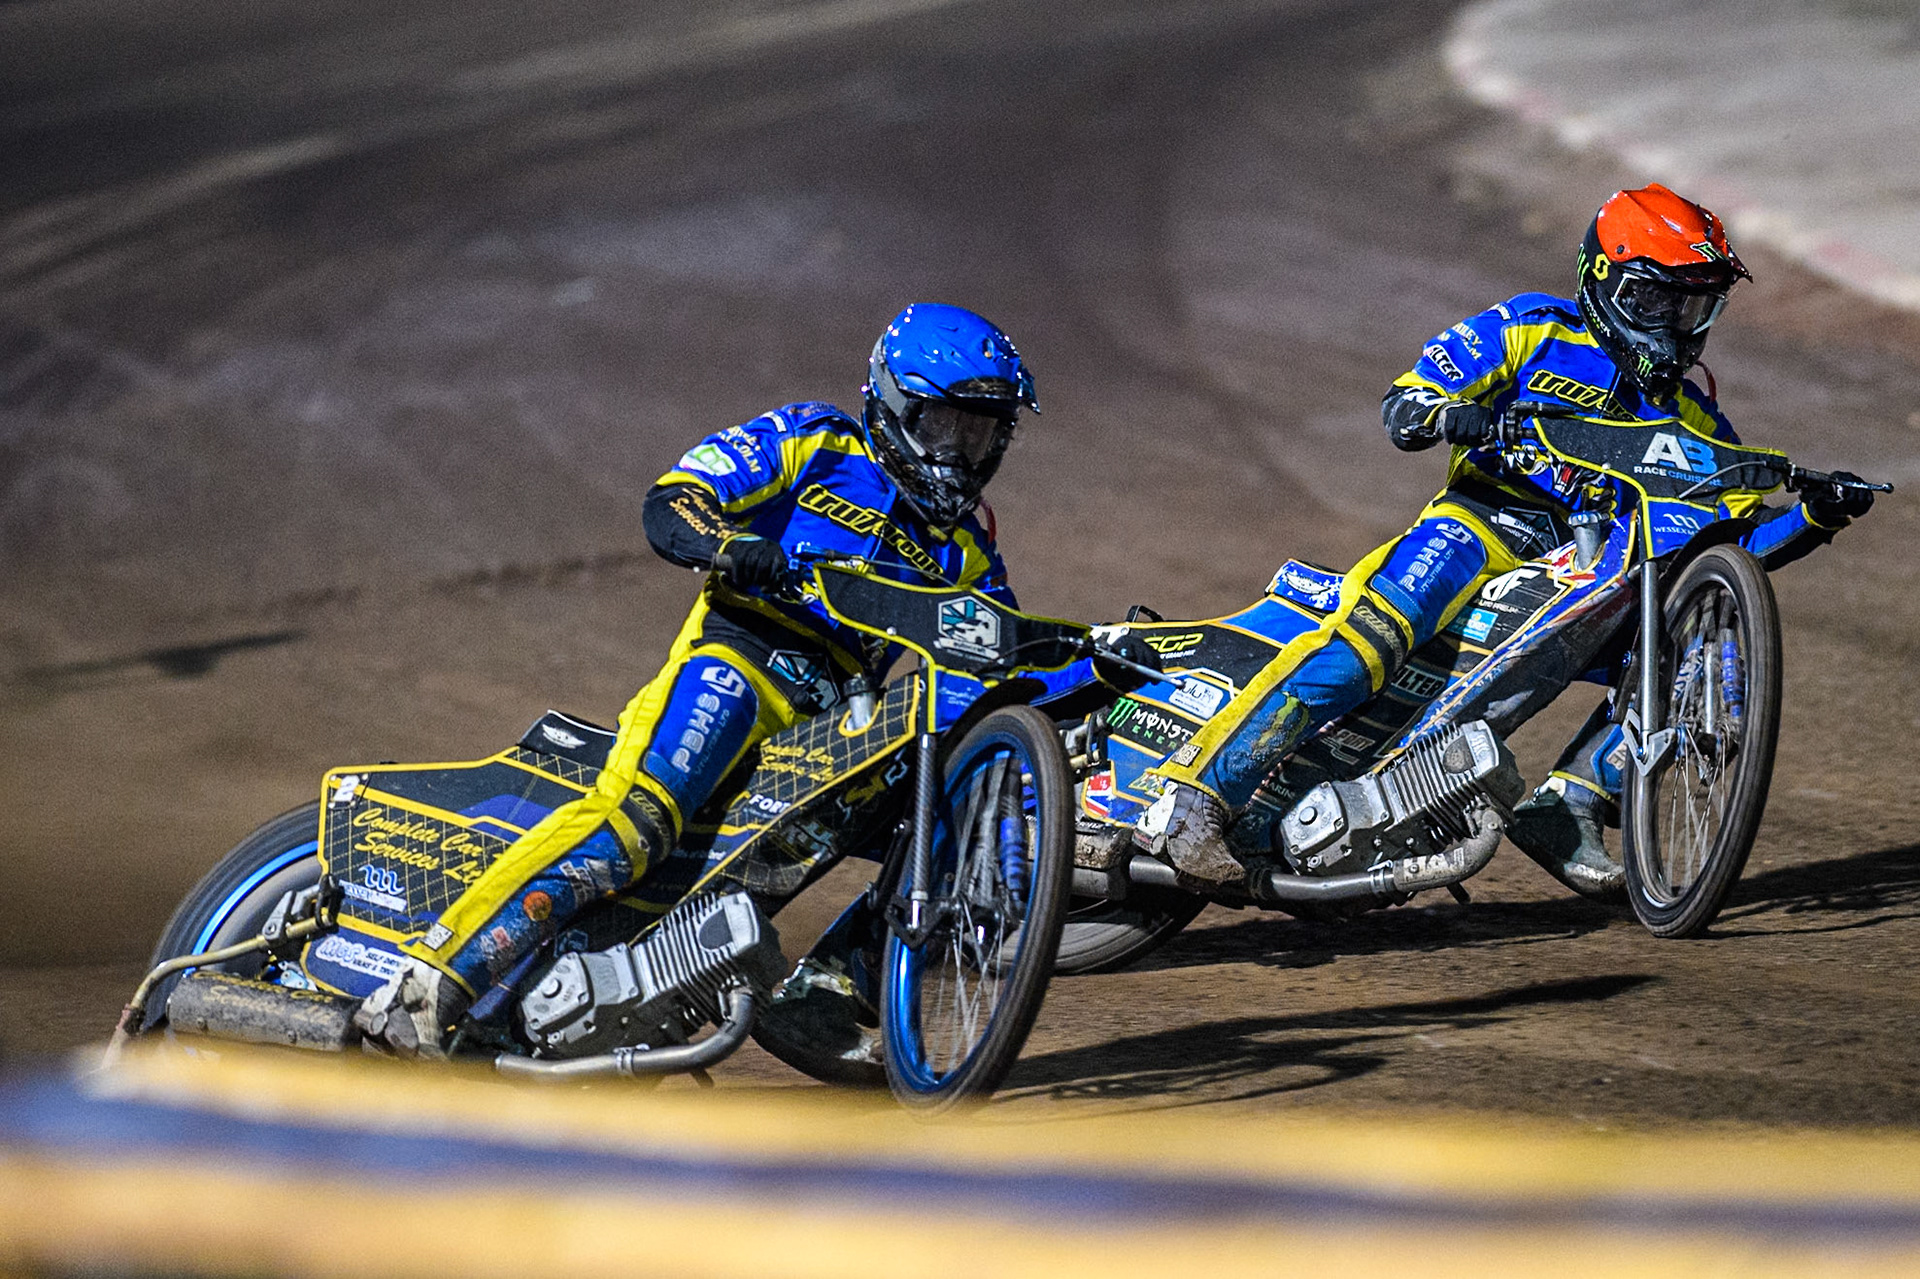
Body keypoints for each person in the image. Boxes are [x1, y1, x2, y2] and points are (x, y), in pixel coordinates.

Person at [1135, 183, 1875, 897]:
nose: (1675, 328)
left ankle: (1572, 801)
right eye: (1659, 302)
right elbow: (1407, 402)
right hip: (1479, 525)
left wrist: (1816, 518)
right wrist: (1446, 414)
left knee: (1685, 647)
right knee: (1371, 641)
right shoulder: (1532, 326)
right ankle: (1197, 797)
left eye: (1695, 308)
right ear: (1605, 281)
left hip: (1584, 564)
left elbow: (1734, 549)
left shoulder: (1697, 419)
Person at [349, 303, 1045, 1055]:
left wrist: (1109, 657)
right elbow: (674, 499)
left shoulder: (969, 546)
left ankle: (835, 988)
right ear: (895, 404)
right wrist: (730, 545)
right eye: (944, 426)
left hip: (834, 729)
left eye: (979, 433)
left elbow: (1005, 651)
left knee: (951, 806)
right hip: (740, 661)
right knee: (636, 825)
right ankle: (426, 986)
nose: (959, 454)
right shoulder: (816, 439)